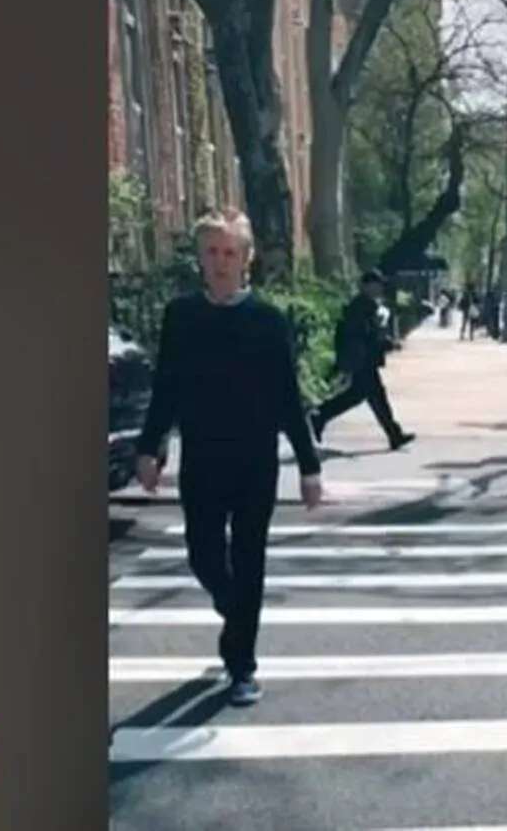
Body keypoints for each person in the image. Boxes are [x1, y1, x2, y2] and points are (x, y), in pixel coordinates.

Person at [135, 212, 323, 707]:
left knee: (249, 558)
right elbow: (166, 387)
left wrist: (309, 466)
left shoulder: (267, 322)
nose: (221, 263)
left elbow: (288, 396)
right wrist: (148, 446)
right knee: (203, 553)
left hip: (255, 460)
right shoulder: (182, 316)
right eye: (212, 253)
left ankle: (241, 665)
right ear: (200, 258)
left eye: (230, 253)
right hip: (201, 457)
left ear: (247, 260)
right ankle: (232, 606)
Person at [310, 269, 415, 450]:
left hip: (363, 359)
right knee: (376, 397)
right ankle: (394, 435)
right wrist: (386, 344)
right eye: (377, 284)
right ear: (367, 285)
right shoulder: (361, 306)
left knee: (357, 395)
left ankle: (321, 415)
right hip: (363, 360)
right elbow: (365, 335)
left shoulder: (364, 305)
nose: (380, 288)